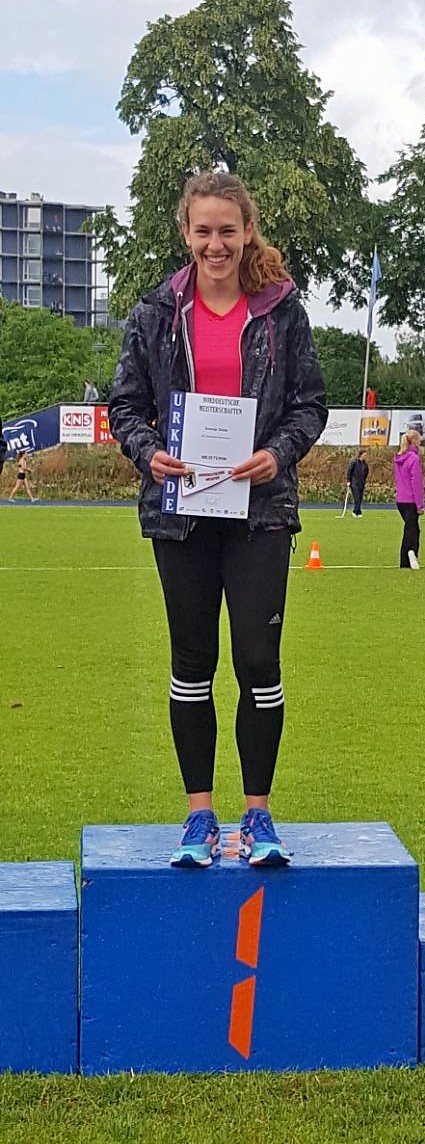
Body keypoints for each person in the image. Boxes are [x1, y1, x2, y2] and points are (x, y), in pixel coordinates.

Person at [108, 170, 327, 868]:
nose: (215, 244)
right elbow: (124, 406)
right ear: (186, 233)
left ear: (246, 231)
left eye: (227, 231)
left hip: (259, 510)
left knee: (259, 661)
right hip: (182, 512)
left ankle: (258, 816)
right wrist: (147, 452)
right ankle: (199, 817)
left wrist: (276, 454)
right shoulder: (154, 313)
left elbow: (310, 405)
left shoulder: (282, 312)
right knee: (192, 663)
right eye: (202, 231)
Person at [394, 430, 424, 569]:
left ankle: (409, 556)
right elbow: (416, 482)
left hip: (401, 499)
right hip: (411, 499)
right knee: (410, 530)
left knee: (413, 528)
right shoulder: (414, 459)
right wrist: (420, 504)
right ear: (415, 441)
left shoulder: (399, 458)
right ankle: (409, 554)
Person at [347, 450, 369, 517]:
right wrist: (348, 481)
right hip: (354, 483)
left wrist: (364, 480)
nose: (365, 456)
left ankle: (358, 512)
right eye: (364, 455)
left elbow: (366, 472)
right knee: (357, 498)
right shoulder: (354, 462)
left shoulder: (365, 464)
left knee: (360, 498)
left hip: (361, 483)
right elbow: (349, 471)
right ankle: (355, 511)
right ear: (361, 455)